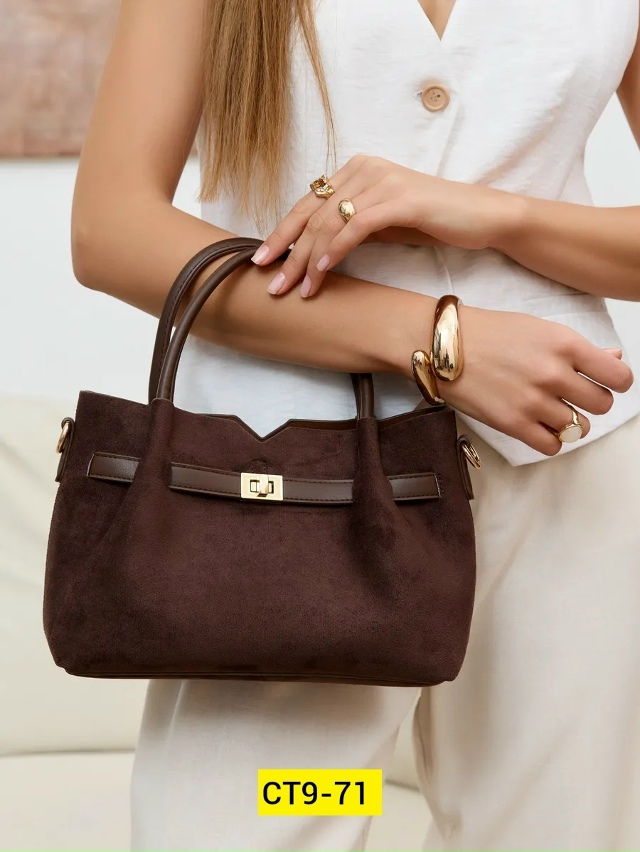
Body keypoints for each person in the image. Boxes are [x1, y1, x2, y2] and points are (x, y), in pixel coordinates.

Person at [70, 1, 640, 850]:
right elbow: (111, 229)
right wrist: (440, 338)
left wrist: (492, 213)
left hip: (564, 472)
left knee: (552, 832)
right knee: (276, 817)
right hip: (285, 491)